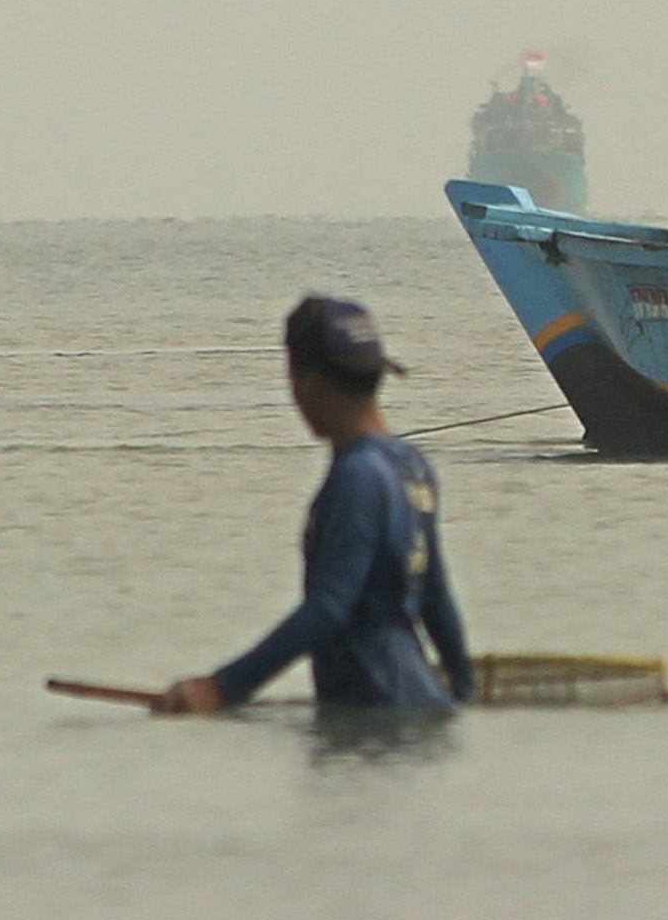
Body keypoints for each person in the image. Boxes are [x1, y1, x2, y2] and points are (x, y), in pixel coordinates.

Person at [155, 299, 473, 716]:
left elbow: (328, 609)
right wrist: (464, 691)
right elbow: (436, 597)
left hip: (374, 715)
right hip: (421, 701)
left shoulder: (357, 477)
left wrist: (223, 687)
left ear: (306, 381)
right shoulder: (411, 466)